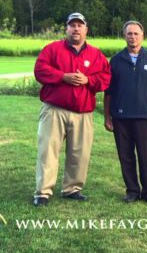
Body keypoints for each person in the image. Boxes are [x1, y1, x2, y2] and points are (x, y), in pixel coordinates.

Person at [33, 12, 111, 206]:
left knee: (80, 153)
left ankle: (72, 189)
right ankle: (43, 192)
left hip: (83, 113)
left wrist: (88, 80)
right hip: (54, 110)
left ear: (86, 29)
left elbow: (105, 78)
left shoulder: (96, 55)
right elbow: (40, 70)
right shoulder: (52, 49)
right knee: (48, 151)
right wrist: (62, 77)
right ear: (66, 28)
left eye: (80, 25)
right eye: (72, 25)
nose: (76, 28)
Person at [104, 20, 147, 206]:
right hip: (121, 118)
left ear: (143, 36)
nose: (132, 36)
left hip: (145, 118)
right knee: (126, 156)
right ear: (124, 36)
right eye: (129, 33)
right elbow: (108, 92)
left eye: (136, 33)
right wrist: (107, 117)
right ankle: (132, 191)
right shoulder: (116, 61)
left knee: (146, 157)